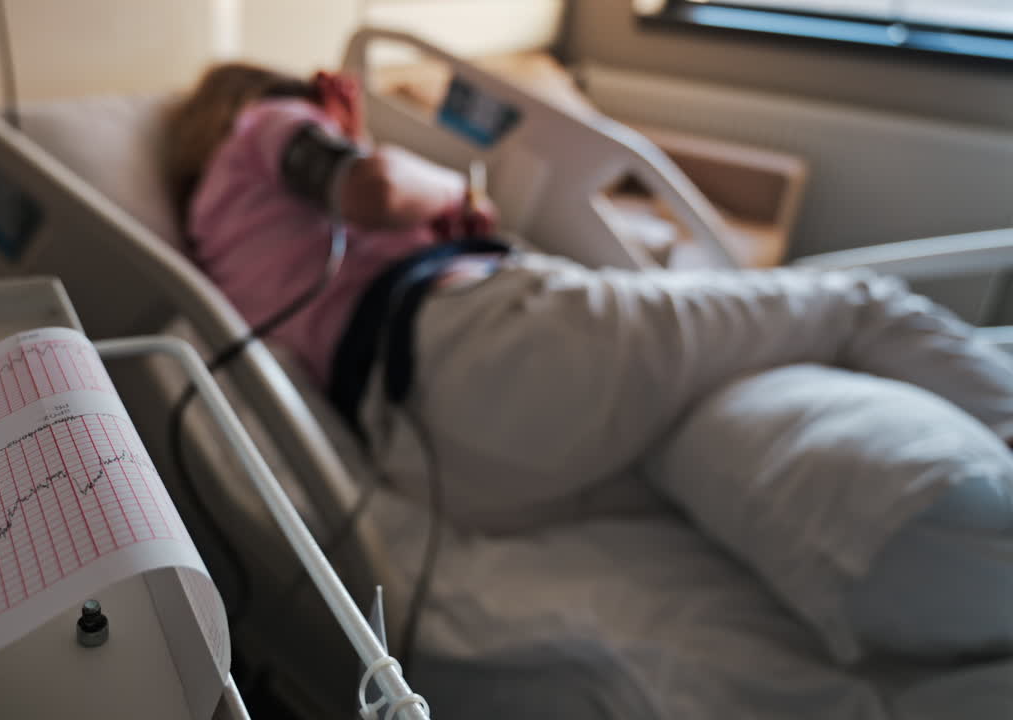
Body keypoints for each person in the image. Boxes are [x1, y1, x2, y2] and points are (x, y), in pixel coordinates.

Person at [162, 63, 1013, 662]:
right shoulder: (266, 123)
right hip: (495, 348)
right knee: (854, 300)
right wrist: (461, 193)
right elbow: (377, 189)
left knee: (687, 427)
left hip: (451, 462)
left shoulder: (206, 230)